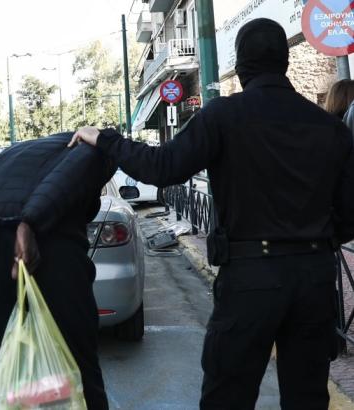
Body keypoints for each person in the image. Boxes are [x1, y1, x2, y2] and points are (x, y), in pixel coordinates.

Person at [70, 18, 354, 410]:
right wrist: (316, 242)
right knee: (307, 397)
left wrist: (106, 139)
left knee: (227, 395)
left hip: (251, 278)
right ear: (285, 61)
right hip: (315, 278)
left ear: (240, 65)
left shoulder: (223, 116)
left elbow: (162, 167)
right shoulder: (330, 127)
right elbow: (350, 213)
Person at [0, 132, 115, 410]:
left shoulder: (5, 156)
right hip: (50, 246)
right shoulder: (94, 147)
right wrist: (28, 222)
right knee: (76, 360)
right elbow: (72, 173)